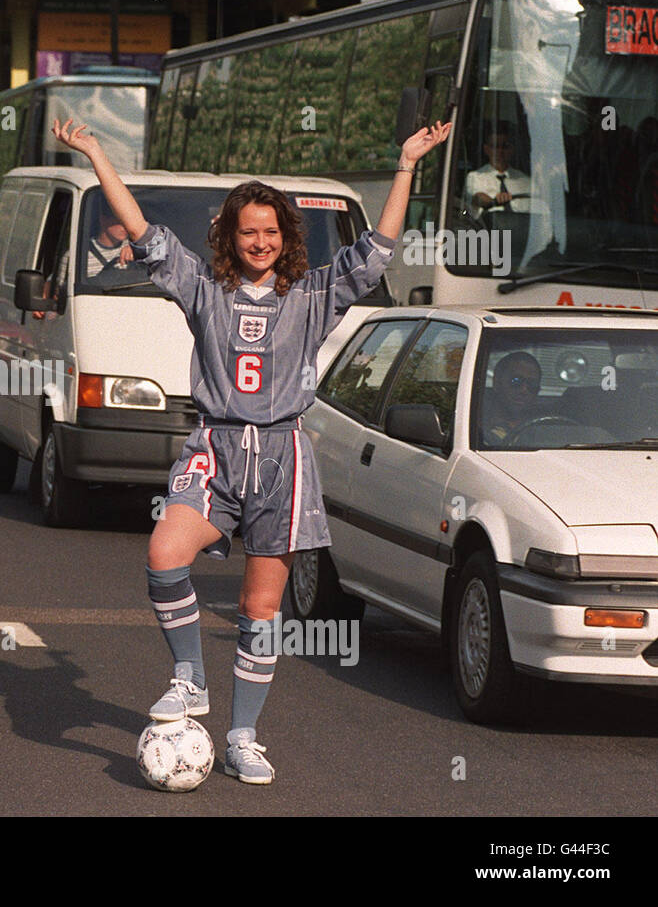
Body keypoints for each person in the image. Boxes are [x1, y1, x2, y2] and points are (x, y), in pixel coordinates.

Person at [52, 114, 451, 786]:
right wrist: (95, 151)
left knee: (261, 609)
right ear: (229, 238)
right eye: (249, 231)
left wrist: (406, 163)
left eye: (271, 231)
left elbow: (380, 249)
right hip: (216, 445)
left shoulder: (315, 293)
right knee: (163, 552)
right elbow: (144, 231)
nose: (261, 241)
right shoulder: (201, 287)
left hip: (282, 456)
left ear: (285, 238)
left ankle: (241, 736)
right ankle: (190, 678)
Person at [465, 122, 532, 217]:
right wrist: (493, 201)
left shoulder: (524, 181)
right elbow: (477, 198)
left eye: (505, 146)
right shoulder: (475, 177)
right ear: (486, 149)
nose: (500, 151)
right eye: (495, 146)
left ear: (512, 149)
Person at [482, 351, 544, 445]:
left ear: (538, 390)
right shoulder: (476, 430)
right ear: (496, 383)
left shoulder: (545, 429)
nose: (524, 390)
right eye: (516, 381)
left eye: (532, 384)